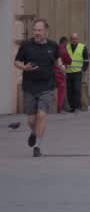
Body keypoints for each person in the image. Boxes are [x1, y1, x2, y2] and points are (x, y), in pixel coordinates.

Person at [13, 19, 63, 157]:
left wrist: (61, 66)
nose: (36, 33)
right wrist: (24, 67)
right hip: (29, 86)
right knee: (31, 120)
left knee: (41, 115)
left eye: (39, 30)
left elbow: (57, 59)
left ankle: (38, 146)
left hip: (47, 86)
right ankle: (34, 133)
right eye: (35, 30)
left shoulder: (53, 45)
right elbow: (16, 62)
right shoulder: (26, 45)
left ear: (46, 31)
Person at [65, 32, 87, 113]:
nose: (74, 40)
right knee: (69, 90)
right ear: (70, 40)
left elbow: (86, 60)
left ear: (78, 39)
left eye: (75, 39)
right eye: (72, 39)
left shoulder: (82, 47)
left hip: (78, 72)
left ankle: (78, 106)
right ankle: (72, 107)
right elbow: (64, 58)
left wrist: (84, 69)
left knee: (77, 89)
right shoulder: (67, 47)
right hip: (68, 72)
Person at [54, 36, 68, 114]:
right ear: (65, 42)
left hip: (52, 72)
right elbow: (67, 60)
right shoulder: (63, 49)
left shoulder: (54, 48)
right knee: (61, 90)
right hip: (59, 72)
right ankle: (59, 108)